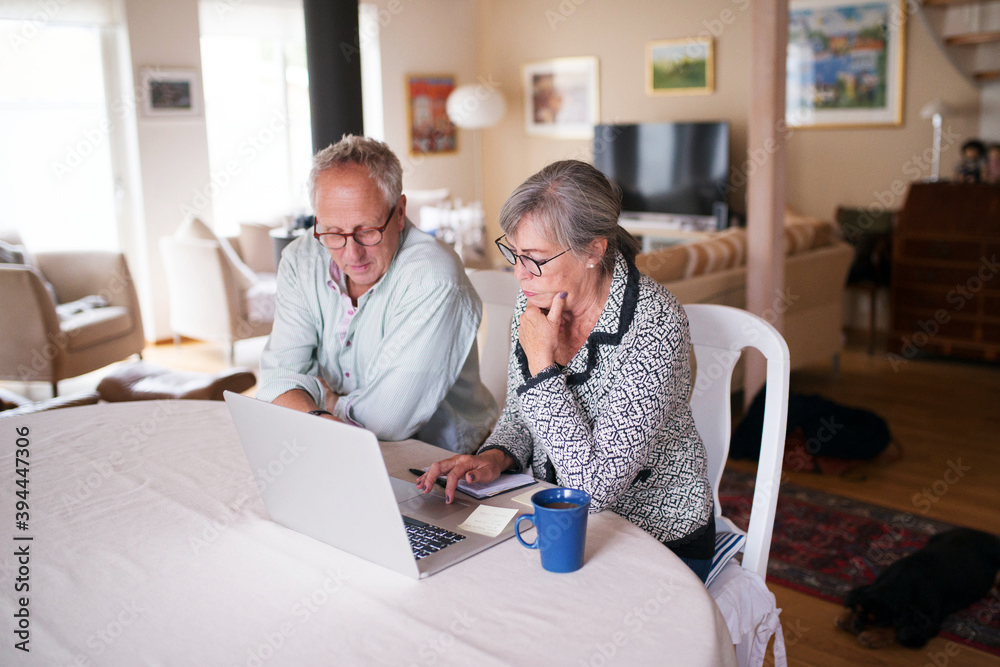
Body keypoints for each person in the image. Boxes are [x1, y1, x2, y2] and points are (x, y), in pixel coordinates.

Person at [416, 160, 716, 581]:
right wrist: (494, 457)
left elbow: (592, 493)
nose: (519, 274)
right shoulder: (536, 298)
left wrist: (542, 366)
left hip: (653, 540)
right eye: (515, 254)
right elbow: (521, 415)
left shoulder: (654, 322)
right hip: (551, 519)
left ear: (593, 250)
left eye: (534, 258)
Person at [256, 135, 496, 453]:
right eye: (332, 232)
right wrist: (322, 413)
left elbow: (386, 423)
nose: (351, 254)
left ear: (399, 213)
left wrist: (320, 401)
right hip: (338, 449)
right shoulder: (301, 260)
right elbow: (275, 383)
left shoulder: (433, 277)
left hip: (443, 462)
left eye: (367, 231)